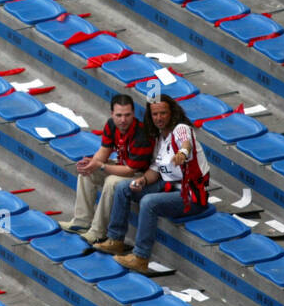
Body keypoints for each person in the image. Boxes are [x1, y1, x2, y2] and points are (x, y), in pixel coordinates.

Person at [94, 95, 210, 272]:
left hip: (191, 195)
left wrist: (182, 154)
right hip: (167, 186)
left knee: (149, 203)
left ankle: (141, 257)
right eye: (155, 114)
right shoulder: (159, 138)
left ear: (172, 113)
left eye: (163, 113)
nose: (159, 118)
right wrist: (143, 180)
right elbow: (155, 169)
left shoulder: (181, 128)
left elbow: (185, 143)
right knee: (124, 186)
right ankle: (115, 239)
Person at [59, 94, 155, 244]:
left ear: (134, 114)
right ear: (112, 114)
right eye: (119, 115)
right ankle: (81, 222)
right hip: (123, 166)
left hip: (142, 177)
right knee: (87, 171)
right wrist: (93, 163)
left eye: (127, 115)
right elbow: (103, 152)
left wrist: (101, 166)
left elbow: (130, 170)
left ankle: (98, 232)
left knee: (111, 181)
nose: (123, 120)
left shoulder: (142, 135)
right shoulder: (111, 125)